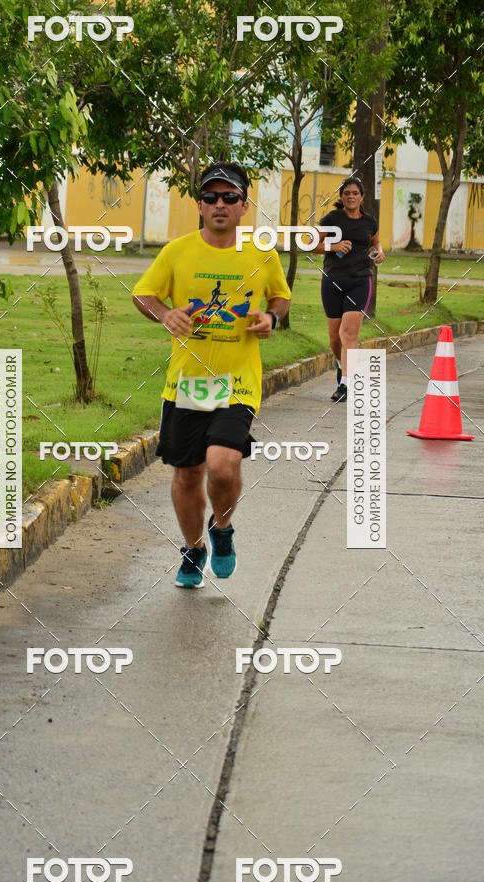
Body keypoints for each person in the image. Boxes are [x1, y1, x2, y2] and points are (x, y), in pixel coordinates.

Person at [132, 161, 291, 588]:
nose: (220, 205)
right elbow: (143, 293)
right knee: (187, 474)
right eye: (211, 197)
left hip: (238, 379)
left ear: (244, 205)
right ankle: (193, 549)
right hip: (187, 382)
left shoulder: (261, 252)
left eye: (230, 197)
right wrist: (166, 314)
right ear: (200, 205)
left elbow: (280, 297)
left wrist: (271, 319)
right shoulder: (177, 251)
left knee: (222, 465)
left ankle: (222, 528)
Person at [316, 176, 385, 402]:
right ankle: (340, 363)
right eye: (347, 193)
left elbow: (374, 244)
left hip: (359, 281)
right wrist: (333, 246)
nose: (351, 196)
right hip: (333, 281)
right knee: (335, 338)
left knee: (349, 333)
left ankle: (346, 383)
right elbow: (311, 244)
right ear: (342, 197)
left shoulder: (369, 222)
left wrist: (379, 253)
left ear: (361, 197)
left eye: (355, 193)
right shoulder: (331, 219)